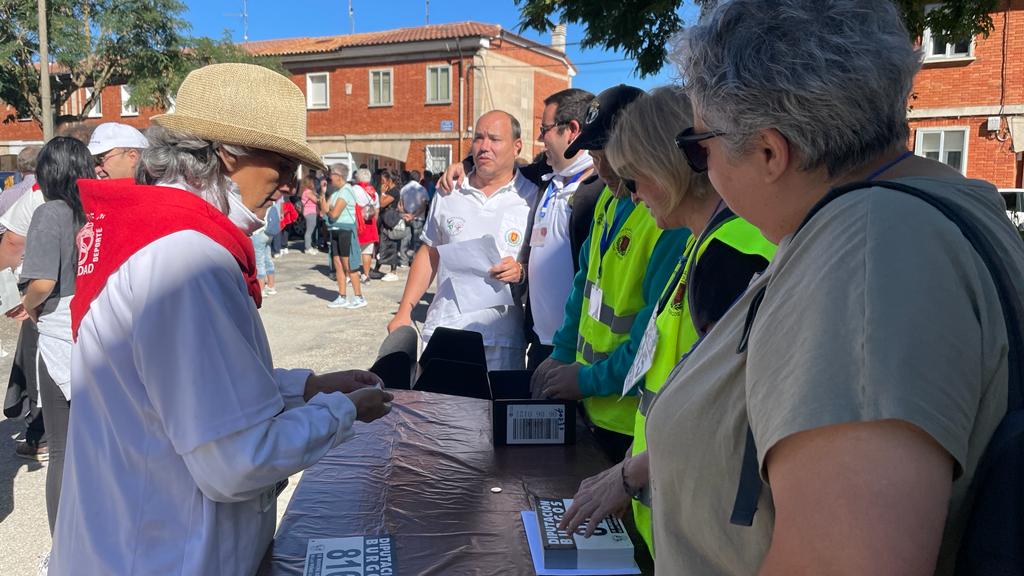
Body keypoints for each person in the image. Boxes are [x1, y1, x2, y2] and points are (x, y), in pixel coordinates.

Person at [641, 1, 1024, 573]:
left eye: (700, 146)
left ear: (771, 152)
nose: (703, 166)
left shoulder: (870, 249)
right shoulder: (921, 208)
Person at [49, 63, 392, 576]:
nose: (292, 182)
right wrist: (343, 411)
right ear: (226, 153)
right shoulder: (186, 258)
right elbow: (236, 461)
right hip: (167, 554)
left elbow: (188, 389)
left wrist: (309, 388)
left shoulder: (153, 238)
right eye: (281, 161)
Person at [555, 87, 775, 554]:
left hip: (708, 533)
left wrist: (629, 473)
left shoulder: (729, 255)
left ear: (666, 167)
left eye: (634, 180)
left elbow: (733, 422)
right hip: (674, 515)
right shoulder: (700, 244)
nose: (631, 197)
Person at [387, 110, 539, 370]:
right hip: (445, 331)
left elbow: (541, 262)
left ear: (517, 146)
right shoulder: (449, 191)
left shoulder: (533, 197)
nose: (484, 146)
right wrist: (405, 310)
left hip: (502, 341)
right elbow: (430, 253)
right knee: (438, 410)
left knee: (494, 412)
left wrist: (521, 271)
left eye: (494, 139)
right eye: (478, 138)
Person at [8, 137, 94, 533]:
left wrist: (27, 300)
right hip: (99, 329)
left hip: (60, 330)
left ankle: (65, 545)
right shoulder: (96, 212)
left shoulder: (50, 213)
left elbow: (42, 280)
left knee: (61, 449)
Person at [320, 163, 366, 309]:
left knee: (349, 265)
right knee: (338, 264)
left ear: (338, 176)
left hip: (346, 230)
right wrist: (323, 192)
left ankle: (359, 296)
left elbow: (333, 213)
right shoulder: (335, 193)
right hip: (335, 230)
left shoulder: (346, 191)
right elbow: (323, 211)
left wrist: (328, 209)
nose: (329, 178)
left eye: (331, 175)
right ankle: (342, 296)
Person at [352, 167, 380, 283]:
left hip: (357, 222)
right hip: (370, 223)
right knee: (367, 251)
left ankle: (352, 274)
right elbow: (377, 210)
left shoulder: (354, 189)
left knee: (353, 250)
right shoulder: (374, 192)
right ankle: (366, 275)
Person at [399, 169, 429, 255]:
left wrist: (406, 213)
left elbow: (400, 205)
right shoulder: (422, 189)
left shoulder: (403, 189)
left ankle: (403, 260)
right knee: (417, 241)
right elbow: (424, 206)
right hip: (418, 218)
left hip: (406, 217)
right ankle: (415, 259)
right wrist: (413, 215)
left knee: (405, 239)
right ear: (419, 178)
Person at [299, 175, 319, 254]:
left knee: (310, 230)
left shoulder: (306, 191)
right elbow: (316, 200)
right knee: (309, 231)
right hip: (310, 212)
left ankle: (309, 246)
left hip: (309, 212)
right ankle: (308, 248)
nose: (315, 184)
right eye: (313, 182)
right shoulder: (308, 192)